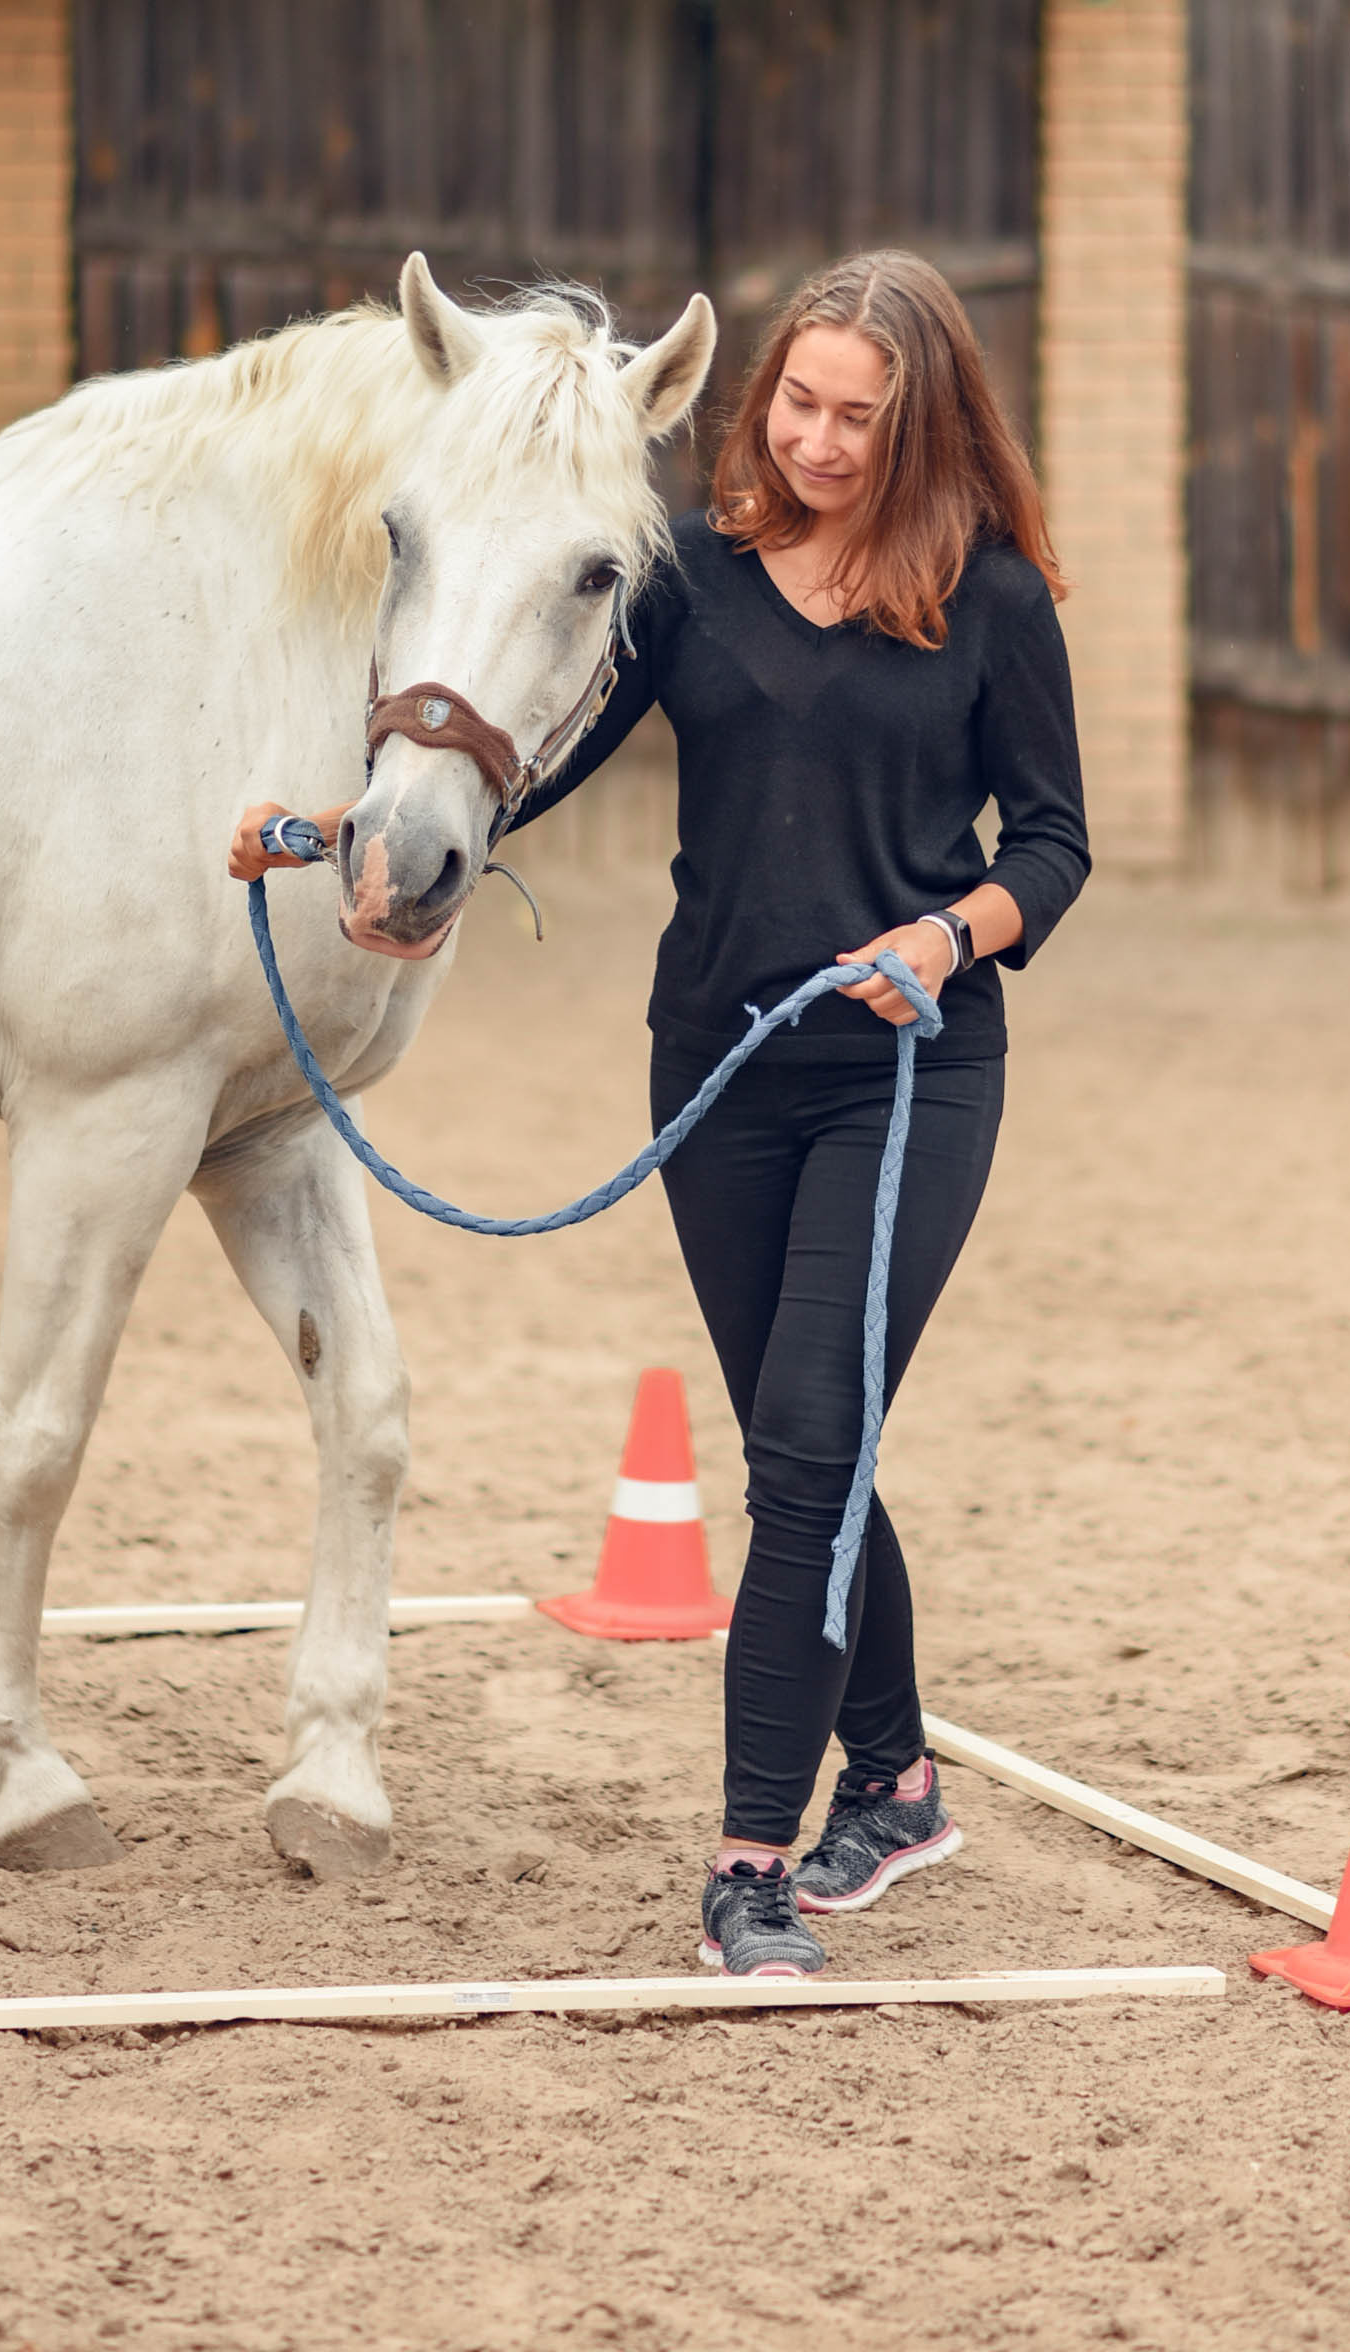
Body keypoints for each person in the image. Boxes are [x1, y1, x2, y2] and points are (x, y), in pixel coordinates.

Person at [514, 250, 1089, 1976]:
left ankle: (752, 1861)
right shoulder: (691, 577)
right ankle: (901, 1777)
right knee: (803, 1452)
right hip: (712, 1068)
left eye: (859, 415)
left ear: (922, 423)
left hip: (908, 1074)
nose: (822, 440)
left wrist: (944, 929)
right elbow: (542, 752)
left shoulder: (985, 597)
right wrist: (356, 831)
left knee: (807, 1457)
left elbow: (1053, 846)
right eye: (800, 403)